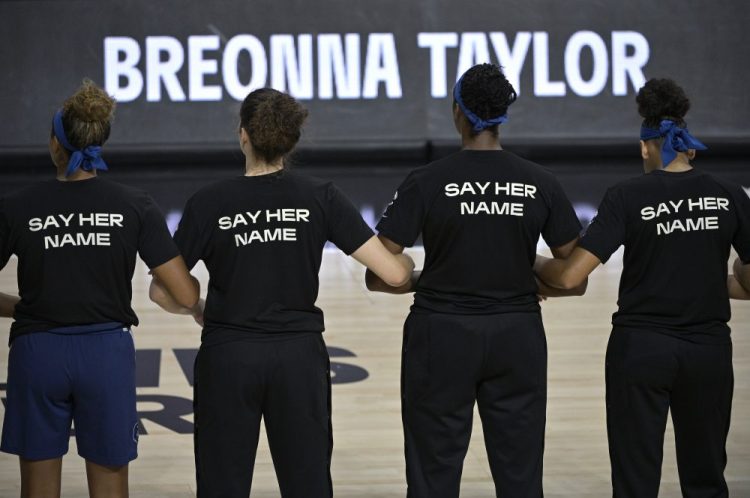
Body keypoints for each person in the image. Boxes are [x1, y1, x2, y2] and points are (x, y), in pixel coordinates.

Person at [149, 87, 415, 498]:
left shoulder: (208, 203)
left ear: (243, 136)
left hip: (228, 356)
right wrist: (409, 264)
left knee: (222, 485)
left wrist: (196, 306)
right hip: (298, 359)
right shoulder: (320, 197)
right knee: (307, 485)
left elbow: (163, 293)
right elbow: (394, 275)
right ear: (291, 141)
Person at [366, 63, 584, 498]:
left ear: (457, 113)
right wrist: (529, 267)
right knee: (520, 475)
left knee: (433, 474)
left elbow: (380, 272)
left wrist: (422, 277)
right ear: (502, 116)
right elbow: (572, 276)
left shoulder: (425, 181)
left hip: (441, 336)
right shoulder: (540, 181)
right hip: (516, 335)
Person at [534, 78, 750, 497]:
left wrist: (526, 260)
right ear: (688, 145)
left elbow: (569, 276)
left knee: (635, 481)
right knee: (707, 478)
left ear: (645, 146)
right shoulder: (728, 195)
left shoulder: (626, 196)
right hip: (707, 351)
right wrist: (708, 274)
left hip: (640, 352)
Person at [0, 80, 199, 498]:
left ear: (55, 143)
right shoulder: (134, 204)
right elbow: (183, 294)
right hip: (106, 354)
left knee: (37, 490)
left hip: (38, 353)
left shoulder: (17, 206)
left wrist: (18, 308)